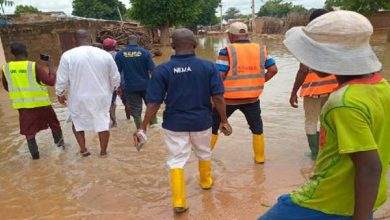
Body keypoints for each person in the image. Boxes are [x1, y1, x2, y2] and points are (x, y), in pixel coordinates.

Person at [259, 10, 390, 220]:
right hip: (365, 199)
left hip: (326, 200)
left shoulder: (343, 103)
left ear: (327, 54)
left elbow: (370, 166)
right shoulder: (383, 87)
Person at [133, 28, 232, 214]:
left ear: (172, 46)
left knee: (177, 160)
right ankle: (206, 182)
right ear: (195, 46)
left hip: (174, 123)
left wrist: (143, 126)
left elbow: (154, 102)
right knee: (204, 152)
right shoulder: (209, 67)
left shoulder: (162, 70)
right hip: (202, 121)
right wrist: (224, 120)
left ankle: (179, 201)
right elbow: (218, 97)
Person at [211, 22, 278, 164]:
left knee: (213, 125)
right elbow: (273, 70)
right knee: (257, 128)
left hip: (228, 99)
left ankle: (203, 155)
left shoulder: (226, 51)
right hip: (252, 99)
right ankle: (260, 158)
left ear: (230, 35)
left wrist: (212, 97)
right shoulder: (261, 49)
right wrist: (259, 82)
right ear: (246, 34)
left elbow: (219, 77)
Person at [56, 29, 120, 157]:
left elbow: (62, 79)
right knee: (102, 121)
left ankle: (84, 149)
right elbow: (115, 76)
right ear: (91, 39)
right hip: (101, 95)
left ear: (75, 41)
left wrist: (60, 93)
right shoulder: (104, 54)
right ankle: (103, 152)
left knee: (77, 121)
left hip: (78, 96)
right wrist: (115, 87)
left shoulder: (68, 55)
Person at [289, 9, 338, 160]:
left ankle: (315, 154)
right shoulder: (336, 39)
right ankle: (327, 151)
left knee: (311, 121)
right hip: (334, 88)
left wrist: (293, 92)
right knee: (328, 121)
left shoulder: (308, 40)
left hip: (313, 89)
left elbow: (303, 69)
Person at [1, 42, 64, 160]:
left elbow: (7, 87)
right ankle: (61, 149)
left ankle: (35, 159)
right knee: (54, 125)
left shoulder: (6, 68)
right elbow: (50, 81)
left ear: (13, 54)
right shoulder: (33, 66)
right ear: (26, 51)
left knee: (29, 133)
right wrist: (51, 66)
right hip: (42, 104)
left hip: (23, 106)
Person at [115, 35, 157, 129]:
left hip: (130, 87)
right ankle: (154, 127)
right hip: (146, 86)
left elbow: (117, 72)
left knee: (136, 109)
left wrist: (118, 87)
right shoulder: (145, 53)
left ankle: (140, 129)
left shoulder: (120, 54)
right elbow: (153, 71)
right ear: (137, 41)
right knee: (151, 105)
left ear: (127, 42)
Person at [102, 38, 131, 127]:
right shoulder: (120, 55)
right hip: (122, 80)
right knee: (127, 101)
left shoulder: (101, 56)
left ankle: (114, 122)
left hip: (108, 83)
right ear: (114, 46)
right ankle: (129, 119)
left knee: (111, 102)